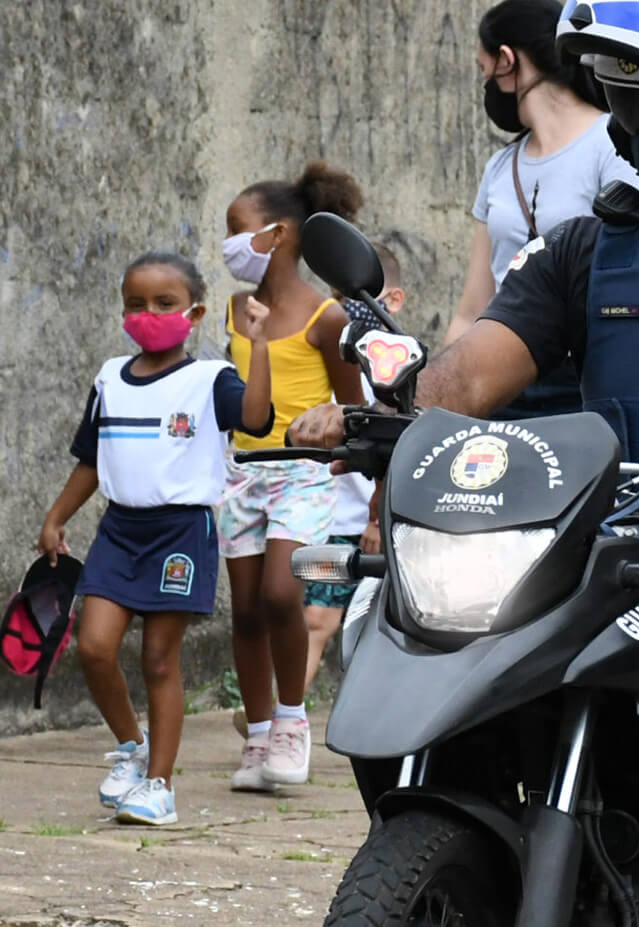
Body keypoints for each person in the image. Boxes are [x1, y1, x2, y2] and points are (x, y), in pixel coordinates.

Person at [289, 0, 639, 565]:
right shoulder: (581, 251)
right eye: (633, 112)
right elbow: (471, 373)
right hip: (616, 572)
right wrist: (390, 411)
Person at [37, 252, 273, 825]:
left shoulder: (209, 379)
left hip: (180, 534)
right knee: (93, 646)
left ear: (193, 313)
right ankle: (132, 747)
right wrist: (56, 516)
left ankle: (160, 787)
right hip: (120, 529)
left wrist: (258, 345)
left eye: (164, 304)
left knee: (159, 659)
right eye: (136, 304)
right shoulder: (109, 378)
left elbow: (258, 418)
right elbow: (92, 460)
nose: (149, 314)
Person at [219, 161, 365, 792]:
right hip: (241, 474)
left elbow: (353, 407)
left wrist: (371, 487)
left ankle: (290, 721)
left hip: (303, 474)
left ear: (277, 235)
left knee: (283, 594)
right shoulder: (234, 310)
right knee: (246, 611)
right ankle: (256, 739)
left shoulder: (325, 317)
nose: (227, 244)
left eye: (237, 230)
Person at [441, 0, 639, 419]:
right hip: (500, 382)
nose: (487, 86)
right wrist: (438, 402)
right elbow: (472, 309)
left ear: (506, 61)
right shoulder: (499, 168)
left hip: (579, 385)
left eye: (484, 71)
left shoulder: (613, 147)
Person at [302, 242, 406, 694]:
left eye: (357, 297)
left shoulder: (398, 369)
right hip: (334, 519)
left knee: (369, 626)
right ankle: (279, 715)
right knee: (316, 622)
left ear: (393, 302)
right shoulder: (334, 358)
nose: (345, 309)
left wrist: (374, 518)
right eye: (339, 297)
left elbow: (397, 445)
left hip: (373, 523)